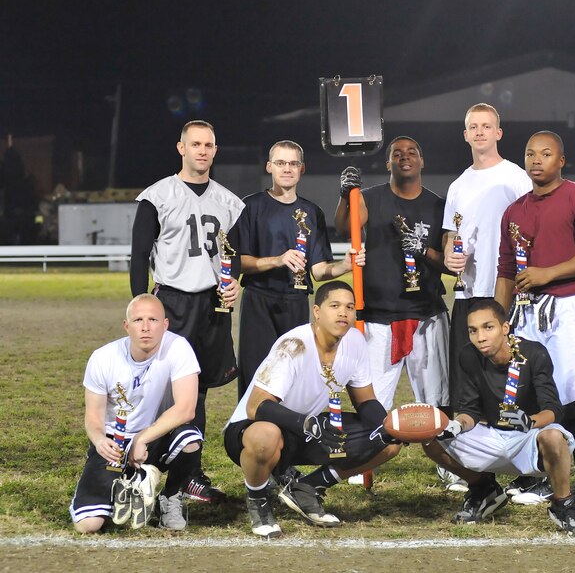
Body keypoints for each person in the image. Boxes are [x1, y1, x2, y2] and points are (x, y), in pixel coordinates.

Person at [494, 131, 575, 518]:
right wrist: (499, 319)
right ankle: (544, 475)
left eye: (546, 154)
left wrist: (549, 273)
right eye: (530, 153)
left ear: (560, 160)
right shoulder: (515, 210)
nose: (536, 160)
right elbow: (507, 270)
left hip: (569, 307)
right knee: (533, 394)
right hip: (526, 311)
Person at [223, 281, 401, 538]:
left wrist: (388, 426)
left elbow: (366, 401)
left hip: (306, 429)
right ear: (317, 311)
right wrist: (306, 423)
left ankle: (307, 487)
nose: (343, 312)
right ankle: (258, 500)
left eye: (349, 307)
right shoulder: (294, 344)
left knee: (388, 442)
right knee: (266, 435)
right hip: (252, 431)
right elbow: (256, 406)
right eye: (335, 306)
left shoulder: (355, 341)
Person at [130, 120, 244, 504]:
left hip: (213, 304)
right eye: (195, 144)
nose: (202, 150)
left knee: (200, 392)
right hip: (172, 302)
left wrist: (236, 281)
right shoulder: (157, 196)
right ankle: (143, 461)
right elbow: (139, 256)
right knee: (160, 388)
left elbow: (235, 257)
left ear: (215, 149)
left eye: (209, 144)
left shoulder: (229, 202)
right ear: (181, 148)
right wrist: (139, 307)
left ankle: (189, 473)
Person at [422, 299, 575, 535]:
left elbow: (553, 409)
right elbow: (470, 410)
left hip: (529, 438)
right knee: (430, 436)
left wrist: (529, 421)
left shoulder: (533, 353)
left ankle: (563, 504)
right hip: (492, 435)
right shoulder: (468, 356)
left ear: (505, 328)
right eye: (473, 330)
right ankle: (483, 490)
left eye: (488, 327)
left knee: (554, 436)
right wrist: (457, 425)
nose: (480, 337)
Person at [442, 103, 532, 494]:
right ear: (465, 135)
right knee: (465, 381)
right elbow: (451, 238)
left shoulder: (516, 177)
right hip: (467, 296)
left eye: (486, 126)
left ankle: (526, 462)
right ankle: (464, 462)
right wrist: (449, 255)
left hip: (506, 294)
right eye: (472, 127)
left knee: (511, 380)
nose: (479, 132)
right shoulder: (458, 185)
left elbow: (532, 230)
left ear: (499, 132)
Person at [236, 140, 364, 398]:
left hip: (295, 301)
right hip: (259, 300)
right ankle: (248, 433)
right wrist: (277, 260)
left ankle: (288, 434)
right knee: (255, 375)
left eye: (293, 163)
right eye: (281, 163)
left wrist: (343, 265)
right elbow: (239, 261)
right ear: (269, 166)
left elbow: (318, 271)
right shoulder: (250, 206)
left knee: (293, 374)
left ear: (302, 168)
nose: (287, 168)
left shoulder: (312, 212)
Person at [334, 136, 449, 413]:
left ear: (422, 161)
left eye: (412, 152)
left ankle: (442, 456)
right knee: (373, 404)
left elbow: (449, 264)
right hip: (379, 317)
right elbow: (344, 229)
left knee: (437, 402)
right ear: (388, 163)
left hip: (427, 315)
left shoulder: (439, 206)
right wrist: (344, 197)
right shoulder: (370, 198)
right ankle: (371, 451)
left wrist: (424, 250)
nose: (405, 157)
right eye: (397, 154)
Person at [70, 294, 202, 533]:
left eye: (153, 319)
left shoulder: (178, 347)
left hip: (153, 438)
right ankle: (130, 482)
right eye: (138, 319)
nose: (145, 327)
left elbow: (186, 408)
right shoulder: (103, 358)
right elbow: (93, 418)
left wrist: (142, 438)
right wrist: (100, 441)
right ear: (126, 325)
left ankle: (169, 498)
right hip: (114, 442)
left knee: (190, 441)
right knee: (88, 525)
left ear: (165, 325)